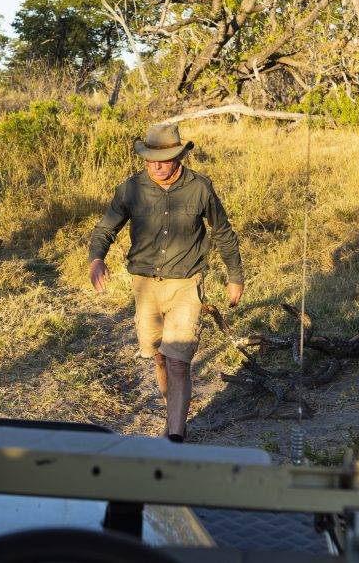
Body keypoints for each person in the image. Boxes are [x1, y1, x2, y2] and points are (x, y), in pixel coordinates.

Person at [88, 123, 244, 442]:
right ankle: (172, 407)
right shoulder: (131, 188)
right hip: (144, 284)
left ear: (179, 156)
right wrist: (96, 259)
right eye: (149, 160)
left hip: (187, 283)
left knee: (177, 361)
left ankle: (175, 435)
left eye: (164, 159)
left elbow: (223, 231)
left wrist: (235, 275)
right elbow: (105, 229)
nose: (156, 166)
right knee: (158, 355)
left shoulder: (200, 188)